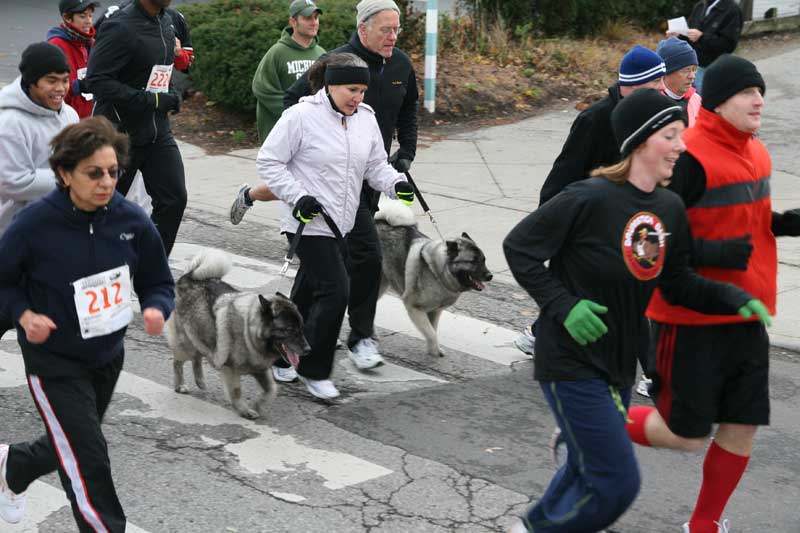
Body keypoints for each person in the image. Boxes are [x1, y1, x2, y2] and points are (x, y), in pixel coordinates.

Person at [502, 88, 770, 533]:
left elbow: (678, 279)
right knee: (617, 484)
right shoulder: (587, 197)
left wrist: (733, 299)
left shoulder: (668, 208)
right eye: (671, 135)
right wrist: (563, 306)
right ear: (641, 142)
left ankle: (531, 527)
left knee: (582, 470)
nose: (681, 146)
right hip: (569, 359)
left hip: (618, 365)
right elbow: (520, 247)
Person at [624, 55, 800, 533]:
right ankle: (595, 428)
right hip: (690, 317)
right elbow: (652, 240)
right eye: (748, 92)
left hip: (748, 312)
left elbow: (744, 220)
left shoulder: (756, 151)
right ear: (720, 101)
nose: (759, 100)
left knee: (743, 426)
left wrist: (782, 224)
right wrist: (718, 252)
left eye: (761, 91)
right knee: (684, 436)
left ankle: (704, 524)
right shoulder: (689, 157)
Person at [0, 116, 174, 531]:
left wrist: (156, 307)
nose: (107, 182)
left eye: (113, 172)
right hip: (54, 361)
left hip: (107, 356)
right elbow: (3, 281)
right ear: (64, 174)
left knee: (72, 443)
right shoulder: (35, 224)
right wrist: (24, 315)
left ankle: (15, 466)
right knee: (89, 458)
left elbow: (158, 280)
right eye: (93, 174)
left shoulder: (130, 220)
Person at [263, 0, 418, 377]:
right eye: (385, 29)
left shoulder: (400, 65)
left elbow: (409, 109)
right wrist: (311, 158)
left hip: (370, 177)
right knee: (343, 269)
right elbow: (291, 105)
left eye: (396, 29)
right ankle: (300, 349)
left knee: (351, 264)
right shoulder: (335, 63)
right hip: (324, 190)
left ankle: (354, 337)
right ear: (363, 28)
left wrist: (405, 158)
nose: (393, 36)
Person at [513, 45, 666, 363]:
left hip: (624, 221)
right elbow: (562, 177)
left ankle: (546, 335)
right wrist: (559, 225)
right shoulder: (595, 119)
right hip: (584, 224)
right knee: (591, 291)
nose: (662, 91)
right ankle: (548, 338)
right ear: (633, 86)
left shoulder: (647, 119)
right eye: (655, 86)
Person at [86, 0, 187, 256]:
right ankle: (90, 269)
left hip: (157, 132)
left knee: (174, 199)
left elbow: (159, 71)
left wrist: (172, 92)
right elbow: (96, 80)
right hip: (119, 135)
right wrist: (151, 100)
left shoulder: (167, 21)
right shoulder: (120, 26)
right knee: (102, 208)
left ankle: (152, 268)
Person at [0, 42, 79, 336]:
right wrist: (70, 178)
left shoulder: (69, 116)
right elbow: (13, 182)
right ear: (31, 81)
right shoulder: (9, 122)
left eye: (65, 79)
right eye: (51, 81)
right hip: (9, 238)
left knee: (45, 325)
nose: (61, 88)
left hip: (51, 240)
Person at [229, 0, 326, 222]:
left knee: (302, 185)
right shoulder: (278, 53)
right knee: (290, 185)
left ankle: (249, 196)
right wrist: (293, 114)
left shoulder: (321, 53)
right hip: (282, 131)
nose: (314, 22)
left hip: (313, 132)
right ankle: (253, 199)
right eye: (307, 17)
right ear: (293, 21)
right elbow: (262, 88)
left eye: (316, 17)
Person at [667, 0, 743, 94]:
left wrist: (702, 37)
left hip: (713, 69)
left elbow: (729, 45)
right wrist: (678, 35)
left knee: (707, 103)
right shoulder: (700, 5)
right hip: (692, 66)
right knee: (693, 102)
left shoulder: (732, 9)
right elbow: (689, 34)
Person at [47, 0, 101, 119]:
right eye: (82, 16)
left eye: (90, 15)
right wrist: (79, 86)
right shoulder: (56, 46)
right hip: (63, 120)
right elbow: (51, 92)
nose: (89, 21)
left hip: (89, 118)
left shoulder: (92, 44)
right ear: (67, 18)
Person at [657, 36, 702, 125]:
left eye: (694, 69)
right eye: (686, 70)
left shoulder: (697, 100)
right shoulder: (653, 104)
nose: (692, 76)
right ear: (666, 73)